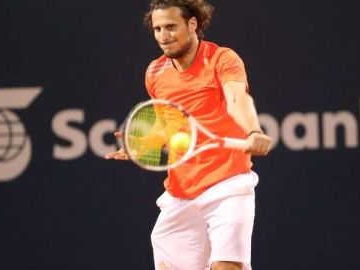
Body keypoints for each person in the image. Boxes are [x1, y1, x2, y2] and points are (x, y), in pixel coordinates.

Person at [105, 0, 272, 269]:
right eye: (157, 29)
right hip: (180, 193)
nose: (163, 36)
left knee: (227, 266)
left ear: (192, 24)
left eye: (171, 27)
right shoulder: (154, 72)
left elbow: (236, 99)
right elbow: (169, 124)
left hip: (227, 184)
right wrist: (141, 145)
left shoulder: (221, 58)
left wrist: (253, 129)